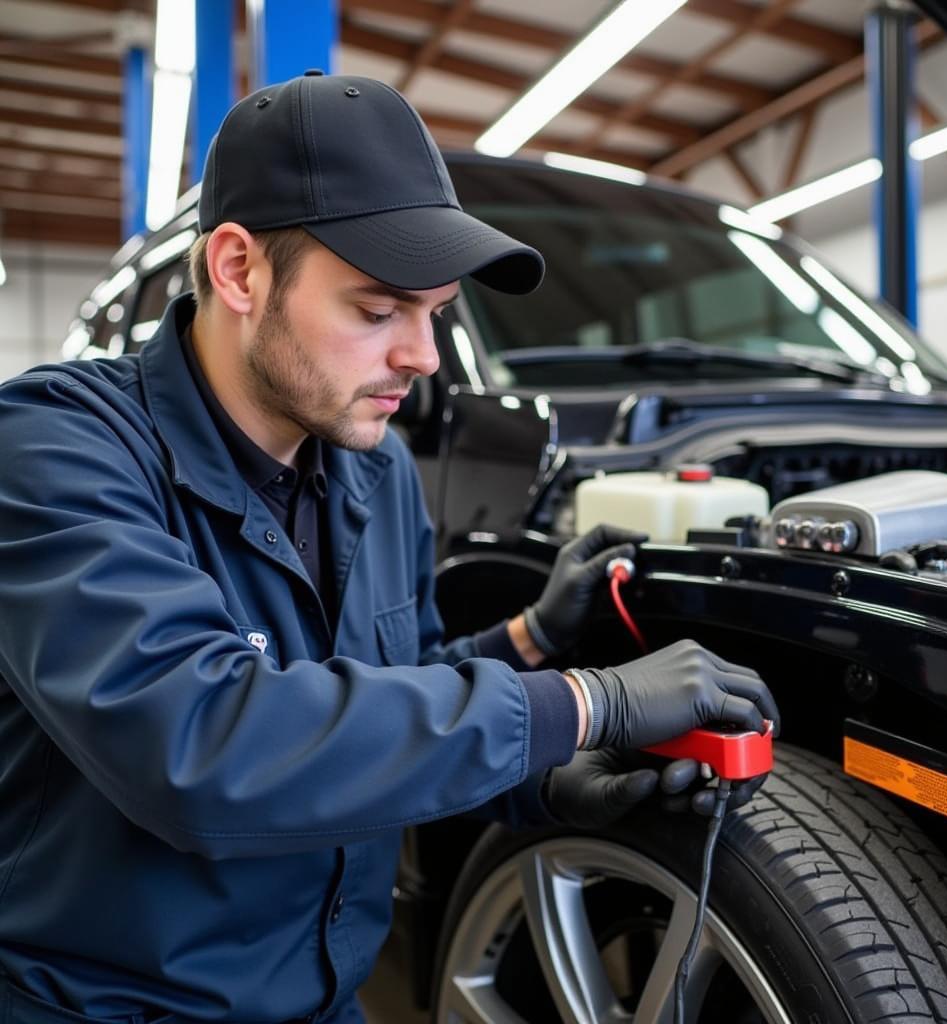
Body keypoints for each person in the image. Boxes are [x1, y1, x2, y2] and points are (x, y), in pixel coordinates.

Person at [0, 73, 779, 1024]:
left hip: (329, 1003)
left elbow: (378, 704)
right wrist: (583, 702)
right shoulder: (55, 449)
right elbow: (199, 742)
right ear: (240, 270)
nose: (424, 357)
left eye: (437, 312)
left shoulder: (377, 473)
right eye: (379, 312)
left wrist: (533, 718)